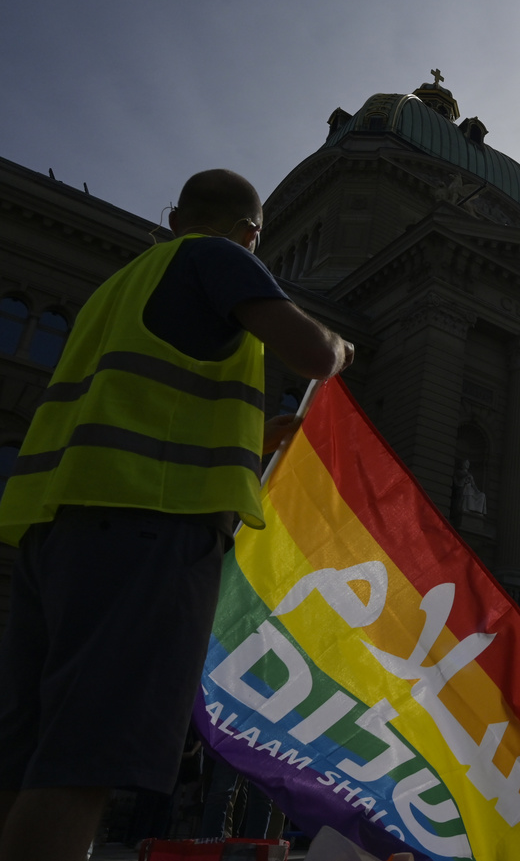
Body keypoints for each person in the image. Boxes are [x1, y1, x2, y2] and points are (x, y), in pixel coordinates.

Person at [0, 169, 354, 861]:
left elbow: (140, 408)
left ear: (175, 215)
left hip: (58, 531)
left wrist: (256, 443)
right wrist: (339, 348)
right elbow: (313, 353)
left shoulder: (121, 286)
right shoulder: (216, 257)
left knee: (26, 756)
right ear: (253, 233)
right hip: (145, 530)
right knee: (81, 763)